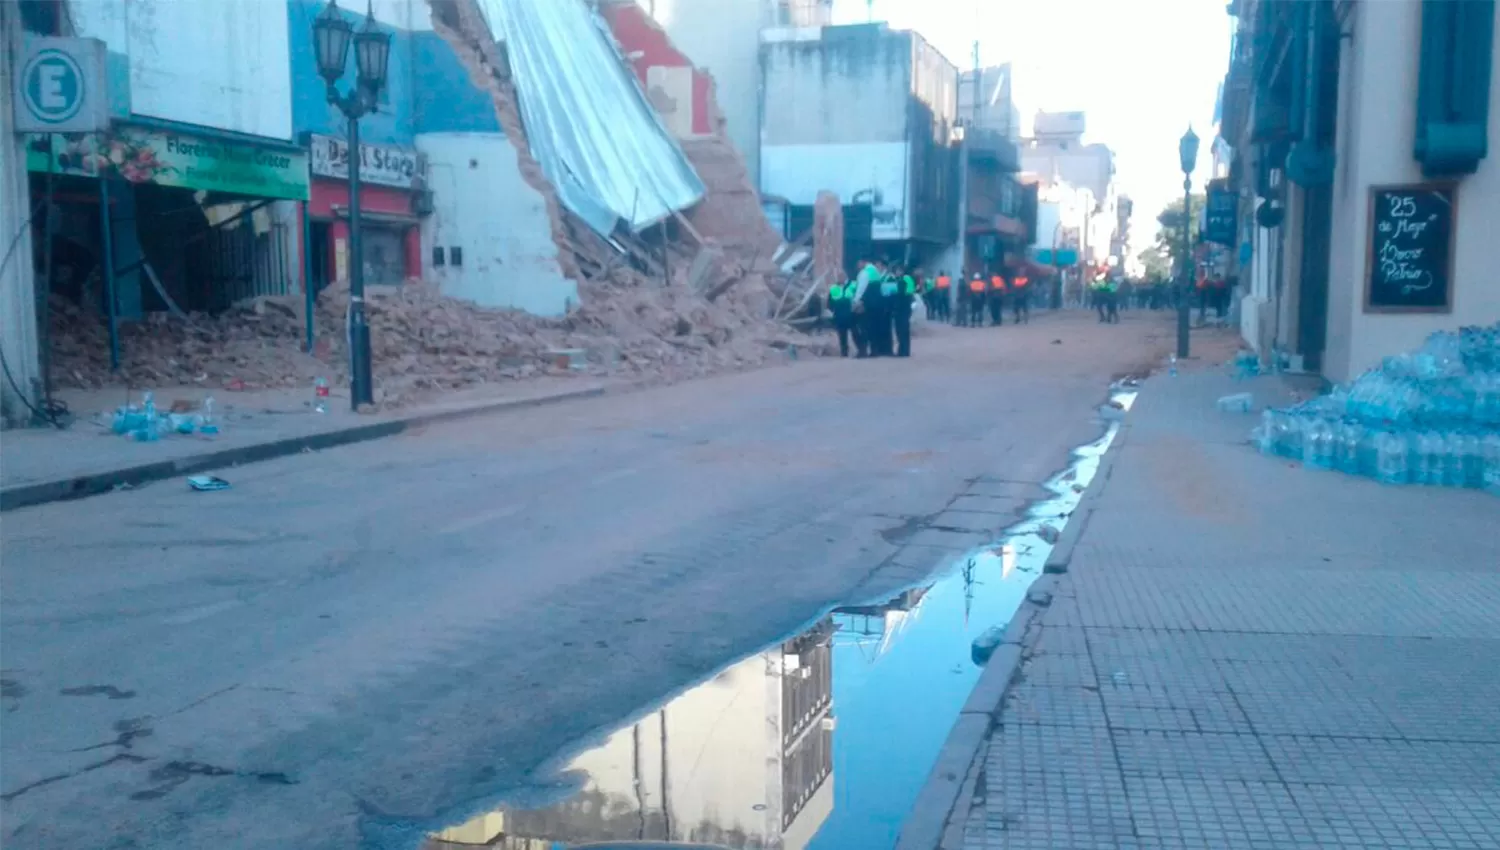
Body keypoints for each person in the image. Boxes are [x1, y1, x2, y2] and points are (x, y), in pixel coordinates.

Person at [828, 276, 856, 356]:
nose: (840, 279)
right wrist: (834, 311)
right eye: (839, 277)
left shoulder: (852, 285)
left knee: (855, 333)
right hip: (839, 315)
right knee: (842, 335)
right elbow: (829, 302)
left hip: (851, 314)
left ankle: (861, 350)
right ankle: (844, 352)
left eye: (842, 276)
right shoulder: (833, 288)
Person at [894, 267, 917, 357]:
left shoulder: (903, 280)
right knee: (904, 330)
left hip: (902, 308)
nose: (896, 273)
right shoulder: (908, 279)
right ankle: (904, 351)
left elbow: (900, 294)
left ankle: (902, 351)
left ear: (901, 271)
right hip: (906, 307)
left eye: (897, 271)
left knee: (901, 330)